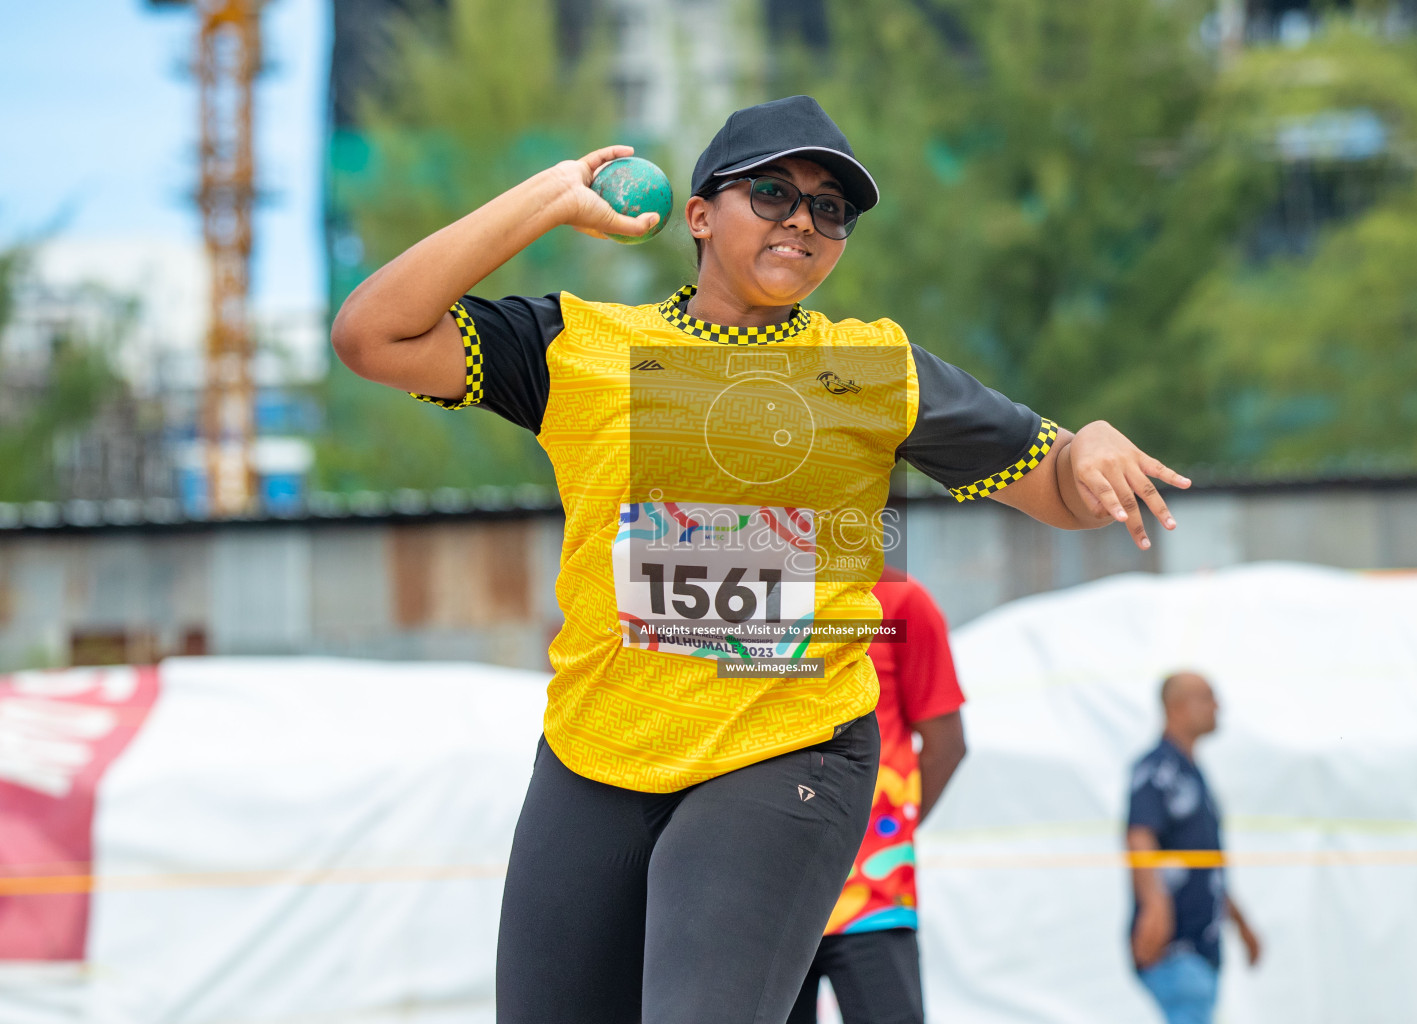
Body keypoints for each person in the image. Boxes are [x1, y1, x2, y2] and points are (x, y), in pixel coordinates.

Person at [332, 93, 1190, 1024]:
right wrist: (548, 200)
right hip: (595, 754)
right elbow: (372, 335)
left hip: (786, 750)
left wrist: (1088, 443)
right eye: (774, 192)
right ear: (699, 215)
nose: (804, 221)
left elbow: (1054, 484)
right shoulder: (586, 348)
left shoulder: (874, 368)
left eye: (832, 210)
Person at [787, 570, 966, 1024]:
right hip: (764, 898)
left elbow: (946, 744)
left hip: (872, 898)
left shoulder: (899, 597)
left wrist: (885, 832)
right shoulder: (736, 597)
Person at [1127, 671, 1262, 1024]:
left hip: (1202, 949)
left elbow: (1206, 863)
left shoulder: (1191, 774)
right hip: (1176, 946)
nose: (1218, 706)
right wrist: (1154, 904)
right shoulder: (1157, 769)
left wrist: (1241, 923)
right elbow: (1140, 835)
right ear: (1177, 707)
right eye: (1207, 697)